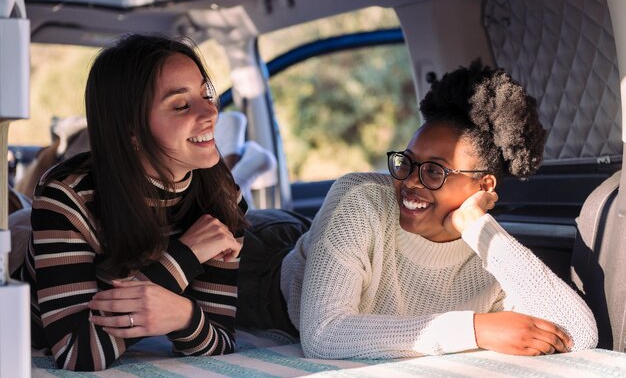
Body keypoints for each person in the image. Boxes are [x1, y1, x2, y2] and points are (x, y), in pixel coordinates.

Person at [237, 59, 599, 359]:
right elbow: (323, 333)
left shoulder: (490, 253)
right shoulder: (360, 198)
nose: (410, 181)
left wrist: (476, 227)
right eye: (406, 162)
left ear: (484, 186)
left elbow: (580, 335)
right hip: (265, 272)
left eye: (434, 171)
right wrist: (475, 328)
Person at [11, 34, 248, 371]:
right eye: (182, 104)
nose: (210, 111)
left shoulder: (223, 197)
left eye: (206, 94)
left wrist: (183, 316)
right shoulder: (68, 194)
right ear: (130, 130)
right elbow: (78, 351)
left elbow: (220, 339)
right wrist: (186, 256)